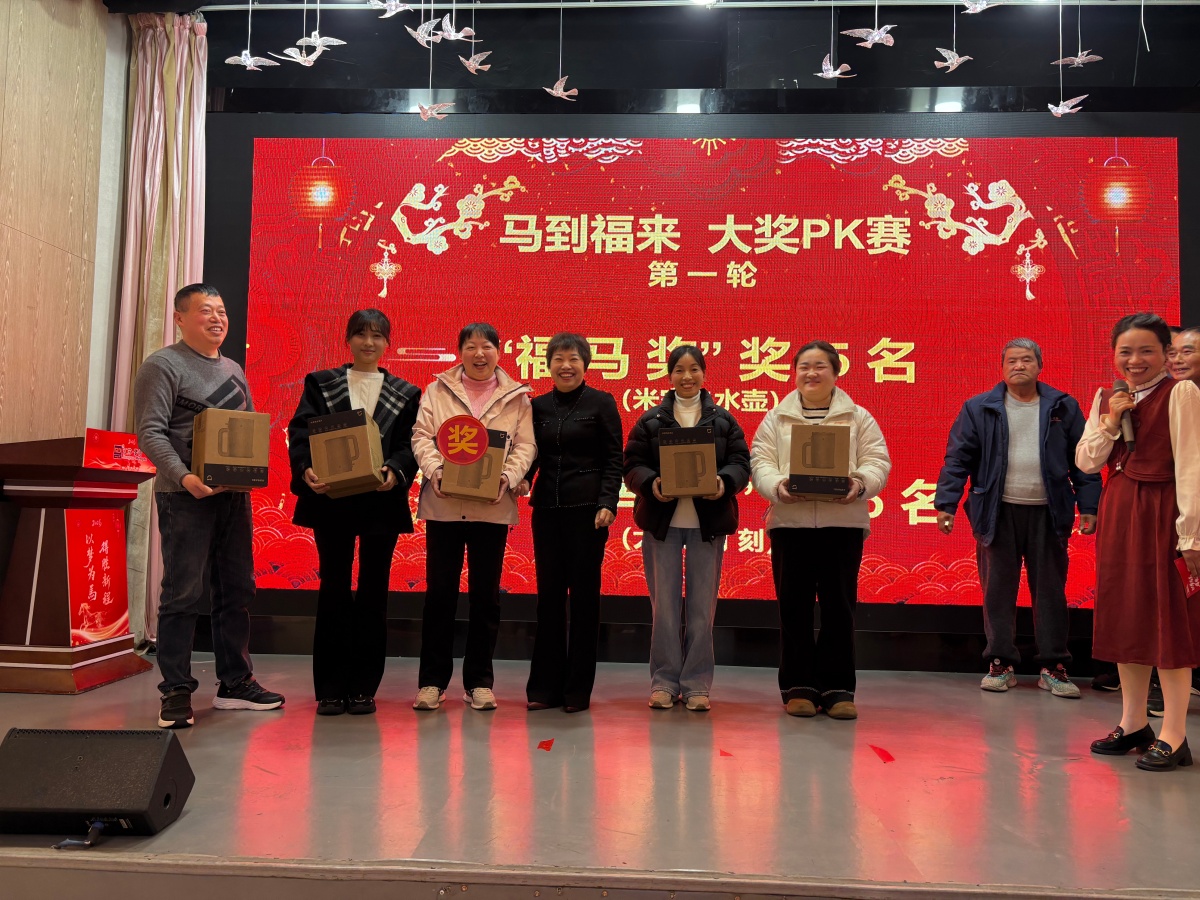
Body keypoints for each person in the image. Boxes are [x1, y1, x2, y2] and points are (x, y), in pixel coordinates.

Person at [133, 283, 285, 729]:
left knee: (236, 590)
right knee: (182, 594)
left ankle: (235, 683)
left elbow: (246, 428)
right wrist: (185, 477)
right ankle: (175, 690)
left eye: (221, 311)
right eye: (205, 311)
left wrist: (249, 475)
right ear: (180, 318)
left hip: (233, 497)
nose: (217, 318)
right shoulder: (162, 365)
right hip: (184, 496)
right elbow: (150, 432)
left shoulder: (234, 369)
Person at [934, 339, 1100, 698]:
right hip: (997, 512)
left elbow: (1084, 461)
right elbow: (957, 459)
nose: (1019, 366)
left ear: (1040, 366)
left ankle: (1053, 666)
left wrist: (1089, 506)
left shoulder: (1063, 406)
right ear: (1002, 368)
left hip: (1049, 513)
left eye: (1026, 360)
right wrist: (946, 504)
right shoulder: (979, 407)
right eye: (1012, 361)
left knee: (1051, 592)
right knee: (997, 591)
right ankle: (1000, 663)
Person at [1079, 313, 1200, 771]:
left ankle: (1174, 733)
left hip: (1163, 514)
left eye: (1147, 350)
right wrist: (1112, 420)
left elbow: (1192, 464)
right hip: (1120, 510)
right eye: (1125, 351)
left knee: (1167, 622)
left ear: (1166, 354)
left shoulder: (1181, 393)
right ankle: (1133, 724)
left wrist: (1191, 534)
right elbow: (1086, 461)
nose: (1135, 360)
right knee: (1128, 618)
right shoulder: (1109, 398)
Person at [287, 309, 420, 716]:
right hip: (332, 499)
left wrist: (395, 471)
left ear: (388, 343)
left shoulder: (406, 392)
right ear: (347, 339)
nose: (368, 342)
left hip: (381, 500)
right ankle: (330, 688)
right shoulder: (321, 382)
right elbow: (301, 433)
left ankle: (363, 687)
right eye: (361, 334)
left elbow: (411, 443)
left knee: (374, 591)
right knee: (334, 588)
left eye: (377, 335)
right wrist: (306, 469)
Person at [750, 341, 891, 720]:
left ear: (836, 372)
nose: (811, 373)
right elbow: (760, 461)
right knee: (793, 608)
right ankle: (798, 687)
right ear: (794, 372)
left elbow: (877, 460)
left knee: (839, 609)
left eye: (820, 366)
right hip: (790, 524)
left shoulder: (858, 417)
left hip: (842, 525)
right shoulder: (776, 418)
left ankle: (837, 688)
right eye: (804, 367)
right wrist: (777, 487)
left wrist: (859, 484)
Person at [410, 323, 535, 712]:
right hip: (444, 506)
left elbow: (526, 446)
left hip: (492, 507)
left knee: (485, 598)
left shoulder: (518, 398)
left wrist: (507, 477)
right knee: (439, 596)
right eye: (471, 347)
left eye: (486, 347)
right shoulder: (437, 390)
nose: (479, 354)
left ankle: (479, 682)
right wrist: (436, 471)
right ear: (460, 351)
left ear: (499, 351)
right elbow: (421, 436)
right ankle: (432, 682)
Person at [623, 345, 750, 711]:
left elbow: (742, 462)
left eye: (694, 369)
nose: (687, 376)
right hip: (662, 525)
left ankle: (696, 684)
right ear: (670, 376)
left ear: (704, 374)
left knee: (701, 610)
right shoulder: (651, 420)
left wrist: (723, 483)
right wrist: (651, 484)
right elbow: (631, 464)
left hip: (707, 526)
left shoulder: (723, 420)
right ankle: (664, 682)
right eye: (679, 369)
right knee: (663, 609)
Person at [518, 333, 623, 713]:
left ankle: (577, 690)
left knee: (583, 600)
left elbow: (614, 459)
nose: (566, 365)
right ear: (548, 365)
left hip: (588, 513)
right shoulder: (537, 406)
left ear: (585, 364)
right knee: (548, 599)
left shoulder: (601, 402)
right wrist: (521, 479)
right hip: (547, 510)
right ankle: (544, 688)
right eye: (558, 359)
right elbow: (531, 455)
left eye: (573, 359)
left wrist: (608, 502)